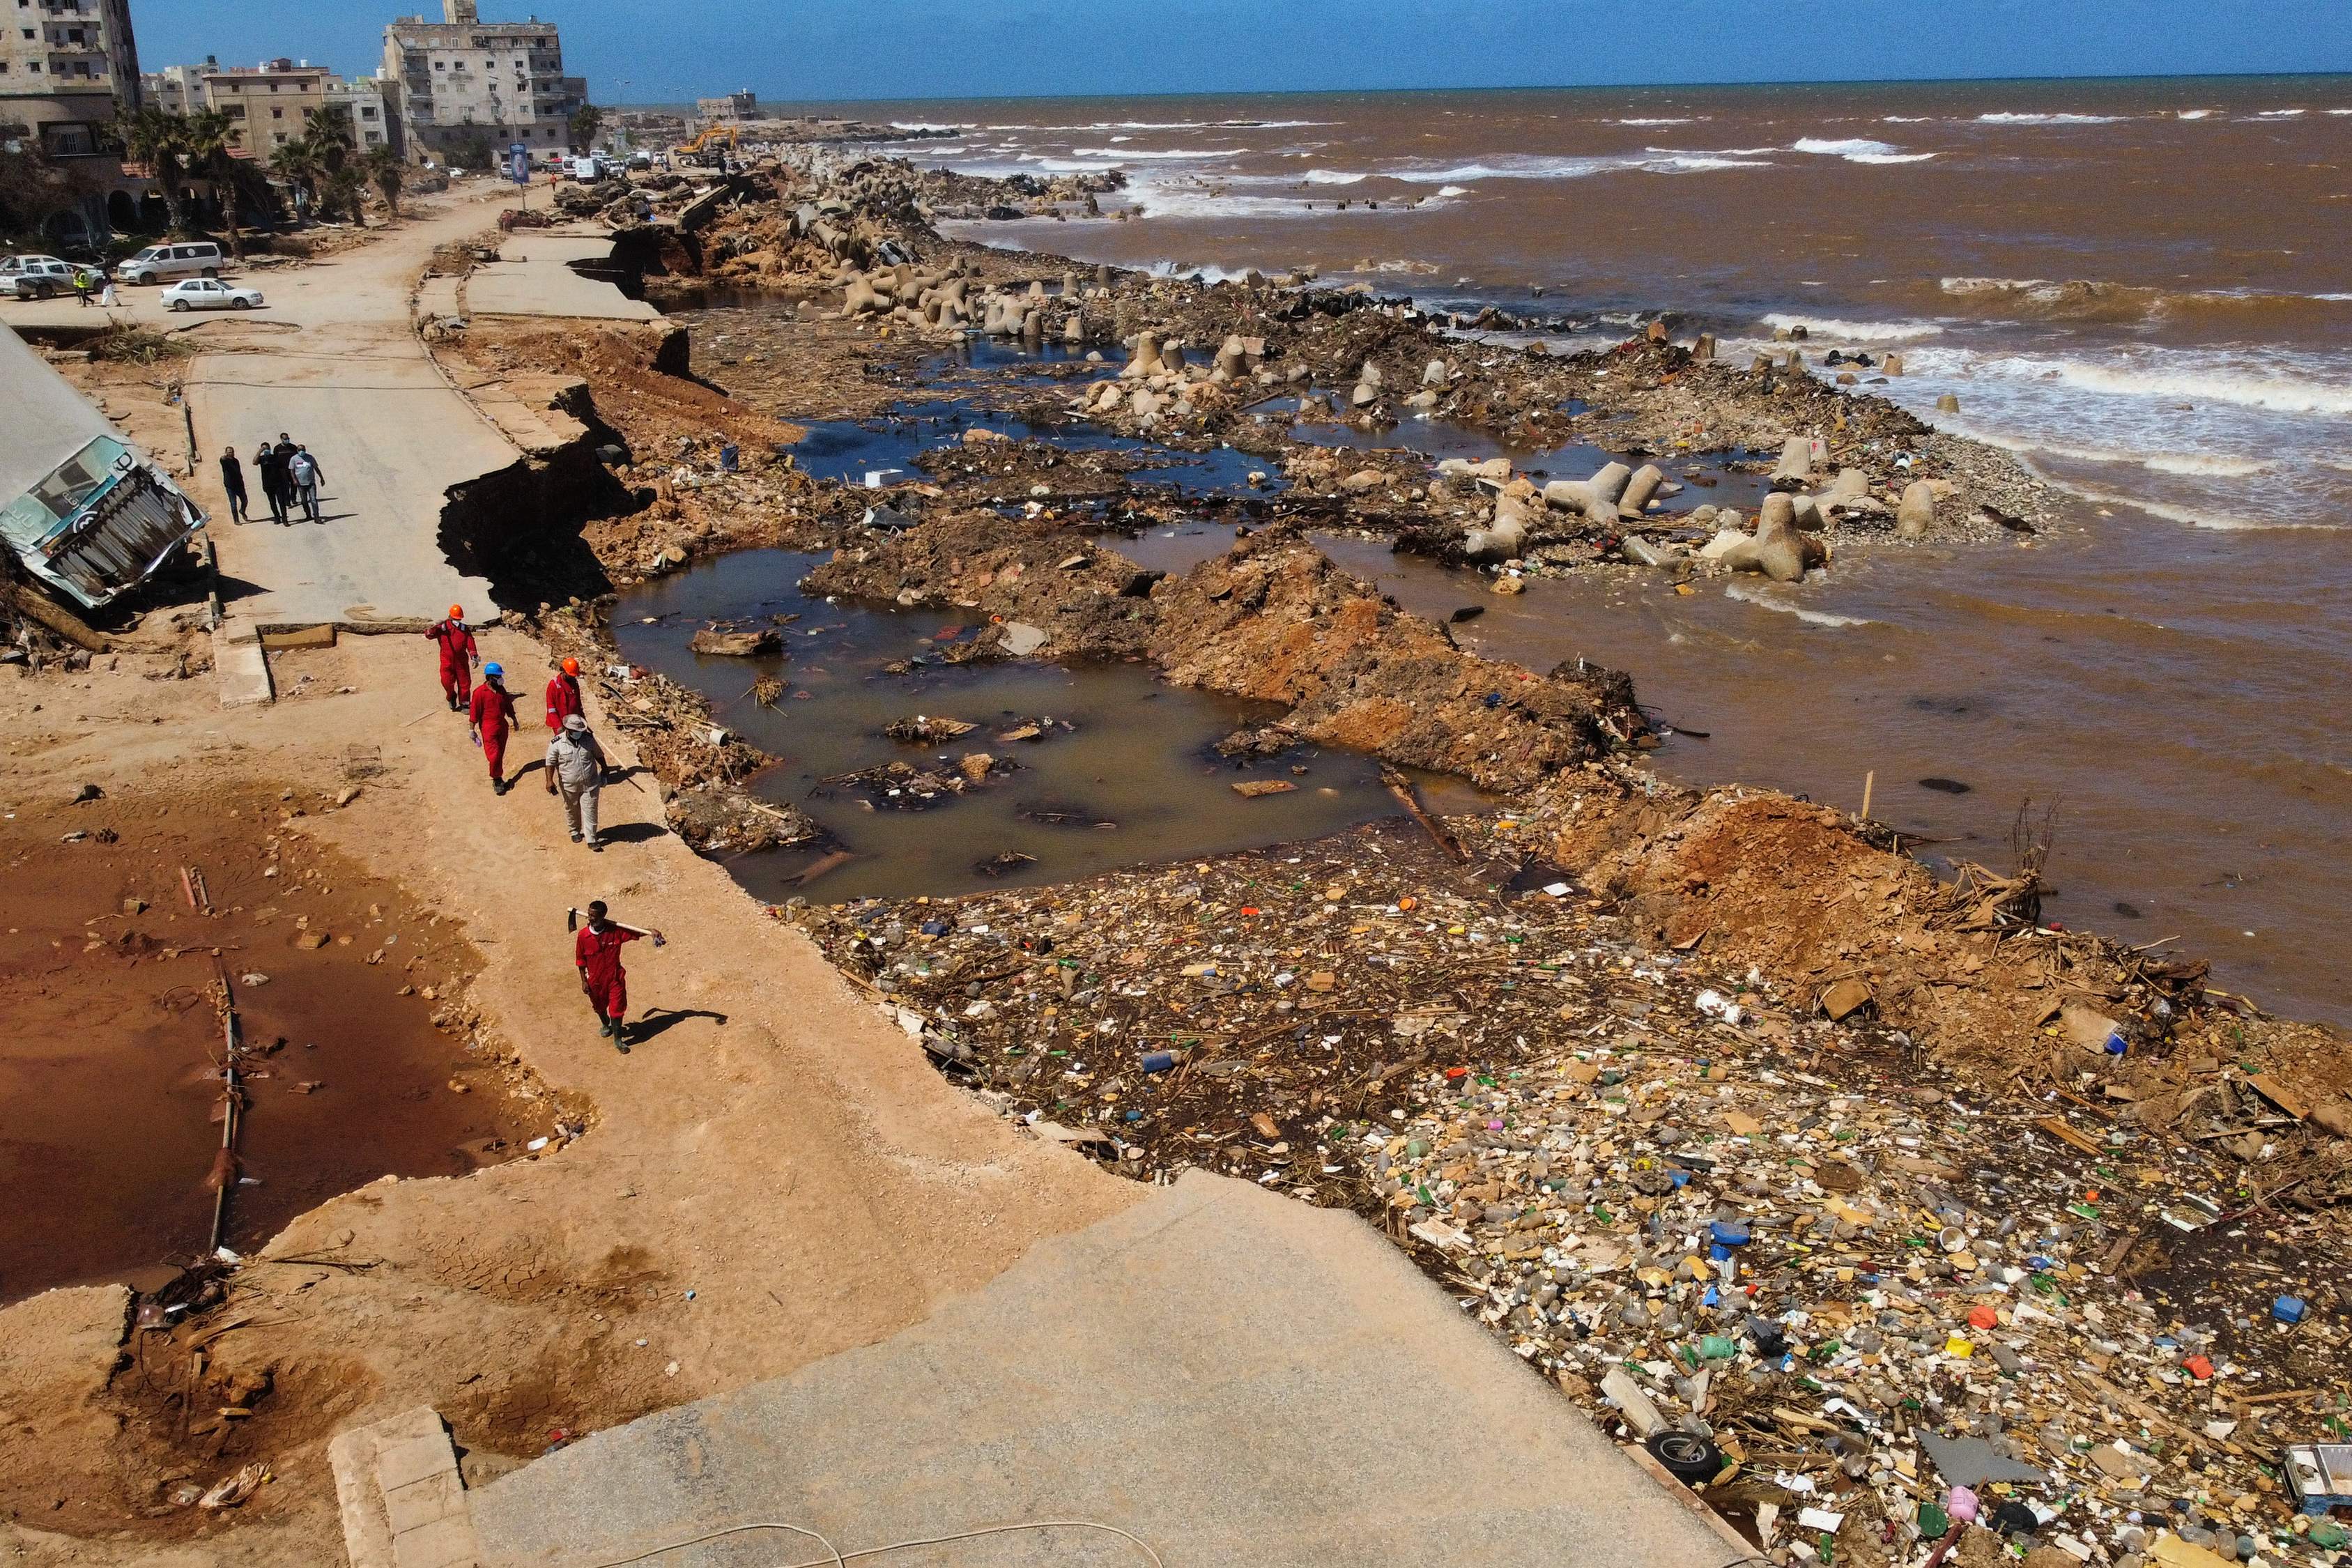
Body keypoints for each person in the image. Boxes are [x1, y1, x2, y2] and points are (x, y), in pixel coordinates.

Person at [575, 900, 663, 1051]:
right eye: (589, 915)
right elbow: (581, 960)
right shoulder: (583, 936)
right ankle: (605, 1023)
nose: (590, 918)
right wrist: (584, 981)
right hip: (595, 981)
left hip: (615, 978)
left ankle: (618, 1039)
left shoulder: (615, 932)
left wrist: (650, 931)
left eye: (594, 916)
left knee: (617, 1009)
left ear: (603, 916)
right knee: (599, 1007)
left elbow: (634, 932)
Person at [544, 712, 608, 850]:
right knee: (572, 809)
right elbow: (550, 762)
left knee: (590, 809)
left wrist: (605, 769)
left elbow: (599, 755)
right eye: (575, 731)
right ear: (568, 730)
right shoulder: (556, 743)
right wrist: (549, 780)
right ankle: (574, 830)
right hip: (569, 785)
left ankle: (591, 839)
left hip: (590, 783)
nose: (578, 733)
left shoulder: (589, 740)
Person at [468, 660, 518, 794]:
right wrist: (472, 729)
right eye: (498, 676)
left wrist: (514, 719)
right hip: (488, 727)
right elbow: (474, 712)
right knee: (494, 755)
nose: (501, 679)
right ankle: (497, 779)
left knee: (499, 753)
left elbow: (508, 706)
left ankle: (497, 774)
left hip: (502, 726)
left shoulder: (501, 691)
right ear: (490, 678)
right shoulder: (480, 693)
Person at [426, 606, 476, 711]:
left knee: (465, 683)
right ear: (450, 616)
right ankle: (451, 696)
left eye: (459, 619)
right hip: (447, 661)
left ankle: (465, 704)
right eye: (455, 619)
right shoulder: (442, 628)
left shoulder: (464, 629)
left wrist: (474, 656)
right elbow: (429, 635)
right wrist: (433, 627)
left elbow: (470, 642)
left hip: (461, 662)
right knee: (446, 682)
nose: (457, 621)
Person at [544, 655, 583, 732]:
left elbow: (578, 703)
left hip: (573, 722)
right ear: (564, 671)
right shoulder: (554, 685)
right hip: (560, 722)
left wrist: (582, 718)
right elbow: (551, 708)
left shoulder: (574, 683)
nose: (573, 678)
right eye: (571, 676)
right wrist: (558, 726)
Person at [254, 440, 289, 525]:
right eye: (264, 449)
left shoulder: (275, 457)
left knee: (281, 502)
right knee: (272, 503)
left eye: (267, 449)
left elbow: (282, 469)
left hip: (278, 483)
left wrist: (285, 481)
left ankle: (285, 520)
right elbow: (254, 462)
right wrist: (260, 451)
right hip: (268, 484)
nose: (266, 450)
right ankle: (277, 517)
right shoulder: (261, 459)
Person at [288, 445, 324, 523]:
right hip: (301, 484)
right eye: (300, 450)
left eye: (303, 450)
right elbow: (292, 471)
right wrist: (294, 480)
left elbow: (316, 468)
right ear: (297, 450)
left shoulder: (310, 458)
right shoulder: (294, 459)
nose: (302, 451)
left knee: (313, 500)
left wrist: (322, 478)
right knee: (304, 501)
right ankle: (308, 515)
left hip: (311, 483)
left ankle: (317, 517)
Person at [218, 447, 249, 524]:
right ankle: (236, 520)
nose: (230, 454)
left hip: (239, 485)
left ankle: (242, 511)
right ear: (226, 453)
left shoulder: (236, 461)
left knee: (245, 501)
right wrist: (224, 457)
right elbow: (222, 459)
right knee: (233, 504)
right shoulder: (225, 461)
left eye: (231, 452)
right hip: (230, 486)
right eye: (229, 452)